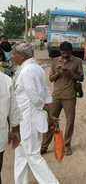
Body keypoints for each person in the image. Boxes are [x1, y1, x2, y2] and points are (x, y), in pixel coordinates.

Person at [12, 43, 59, 184]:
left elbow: (35, 97)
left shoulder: (27, 71)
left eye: (14, 54)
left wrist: (44, 108)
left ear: (21, 55)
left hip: (28, 119)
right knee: (20, 153)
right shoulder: (36, 68)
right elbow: (46, 92)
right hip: (26, 118)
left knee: (32, 154)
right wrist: (49, 112)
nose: (13, 57)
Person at [42, 41, 83, 156]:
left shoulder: (77, 61)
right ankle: (44, 146)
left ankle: (67, 146)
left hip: (70, 96)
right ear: (60, 52)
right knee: (51, 120)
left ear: (71, 51)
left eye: (67, 53)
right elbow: (51, 79)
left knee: (70, 121)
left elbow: (81, 77)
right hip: (56, 95)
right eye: (63, 53)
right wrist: (58, 73)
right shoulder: (55, 61)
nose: (65, 55)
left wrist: (70, 73)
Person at [0, 71, 20, 184]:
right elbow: (14, 110)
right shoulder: (6, 80)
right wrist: (15, 130)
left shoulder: (7, 80)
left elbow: (14, 109)